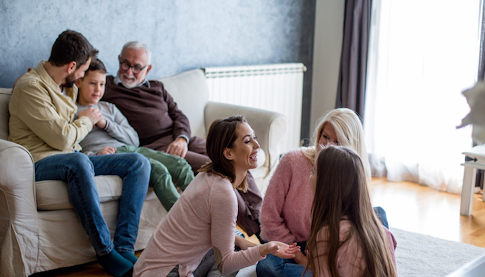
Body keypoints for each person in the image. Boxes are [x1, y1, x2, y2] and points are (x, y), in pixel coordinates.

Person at [8, 30, 150, 277]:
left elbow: (70, 139)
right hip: (39, 162)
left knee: (138, 162)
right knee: (78, 161)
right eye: (84, 72)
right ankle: (105, 252)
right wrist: (86, 119)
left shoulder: (65, 86)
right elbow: (62, 137)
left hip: (74, 157)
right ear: (71, 67)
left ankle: (125, 248)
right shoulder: (31, 87)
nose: (84, 76)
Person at [101, 41, 262, 237]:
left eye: (137, 67)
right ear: (118, 60)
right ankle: (257, 230)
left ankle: (262, 218)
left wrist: (182, 138)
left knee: (241, 157)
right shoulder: (106, 87)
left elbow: (179, 116)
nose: (129, 72)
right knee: (221, 167)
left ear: (148, 68)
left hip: (183, 139)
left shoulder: (157, 88)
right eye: (125, 64)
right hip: (157, 147)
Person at [133, 116, 300, 277]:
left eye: (254, 138)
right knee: (232, 254)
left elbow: (206, 232)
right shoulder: (223, 194)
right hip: (166, 272)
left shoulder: (207, 175)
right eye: (248, 141)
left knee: (235, 241)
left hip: (150, 267)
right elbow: (225, 264)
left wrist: (240, 242)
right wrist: (264, 249)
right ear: (228, 153)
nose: (257, 145)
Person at [256, 108, 388, 277]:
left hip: (335, 245)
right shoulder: (292, 161)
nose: (327, 146)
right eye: (325, 137)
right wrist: (302, 258)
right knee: (267, 266)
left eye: (337, 141)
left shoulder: (353, 170)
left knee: (378, 216)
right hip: (293, 245)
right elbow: (269, 218)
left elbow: (354, 226)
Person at [75, 58, 194, 211]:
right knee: (158, 169)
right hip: (111, 155)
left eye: (102, 84)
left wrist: (106, 124)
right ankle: (187, 222)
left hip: (131, 149)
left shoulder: (109, 108)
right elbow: (70, 147)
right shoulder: (73, 112)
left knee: (180, 164)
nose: (98, 90)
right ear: (78, 82)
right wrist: (95, 154)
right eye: (92, 83)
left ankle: (203, 214)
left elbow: (134, 139)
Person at [304, 145, 397, 277]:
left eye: (313, 171)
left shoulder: (328, 236)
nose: (309, 175)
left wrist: (315, 259)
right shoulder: (384, 233)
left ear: (325, 186)